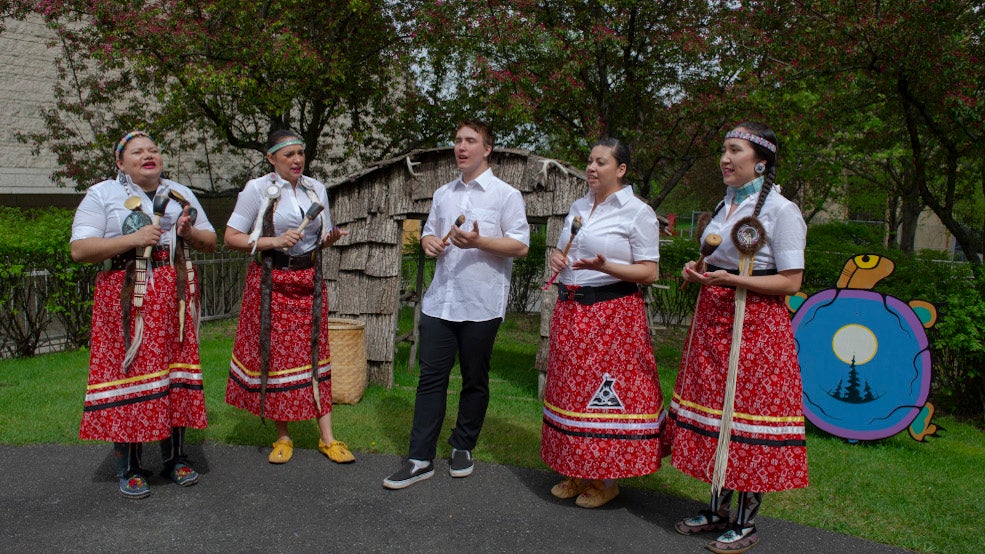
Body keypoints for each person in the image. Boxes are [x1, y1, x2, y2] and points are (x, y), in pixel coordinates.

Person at [669, 122, 808, 554]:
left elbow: (791, 282)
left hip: (756, 327)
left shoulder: (782, 211)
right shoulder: (722, 205)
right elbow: (715, 258)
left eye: (735, 151)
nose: (725, 159)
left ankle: (746, 522)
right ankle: (715, 509)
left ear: (761, 161)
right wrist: (699, 273)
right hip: (715, 319)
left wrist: (735, 282)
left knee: (745, 417)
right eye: (723, 151)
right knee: (716, 413)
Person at [383, 119, 530, 490]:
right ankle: (420, 458)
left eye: (470, 141)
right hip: (439, 302)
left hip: (481, 303)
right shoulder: (443, 194)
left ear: (487, 149)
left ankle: (463, 445)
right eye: (457, 141)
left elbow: (521, 246)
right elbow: (431, 232)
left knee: (474, 379)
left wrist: (479, 242)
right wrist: (428, 242)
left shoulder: (506, 195)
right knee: (430, 380)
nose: (461, 147)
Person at [72, 130, 216, 499]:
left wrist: (188, 232)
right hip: (126, 295)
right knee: (131, 374)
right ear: (121, 163)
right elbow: (81, 249)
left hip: (172, 294)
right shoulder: (103, 194)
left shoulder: (180, 194)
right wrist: (133, 240)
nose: (148, 155)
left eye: (153, 149)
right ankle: (131, 465)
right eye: (137, 152)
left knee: (175, 371)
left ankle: (175, 457)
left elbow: (210, 241)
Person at [540, 138, 665, 509]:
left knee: (604, 397)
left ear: (621, 170)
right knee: (572, 393)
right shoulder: (579, 206)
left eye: (601, 162)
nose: (592, 168)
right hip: (571, 311)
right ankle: (578, 470)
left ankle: (606, 479)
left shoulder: (637, 212)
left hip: (612, 315)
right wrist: (557, 258)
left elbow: (649, 271)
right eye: (590, 161)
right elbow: (565, 250)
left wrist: (604, 266)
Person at [224, 129, 354, 465]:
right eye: (289, 155)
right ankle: (283, 436)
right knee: (278, 357)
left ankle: (328, 438)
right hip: (272, 280)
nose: (297, 160)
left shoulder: (316, 189)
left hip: (308, 279)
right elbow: (232, 237)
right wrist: (272, 241)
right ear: (271, 158)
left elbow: (318, 236)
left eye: (301, 153)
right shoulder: (258, 190)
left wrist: (330, 239)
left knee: (315, 351)